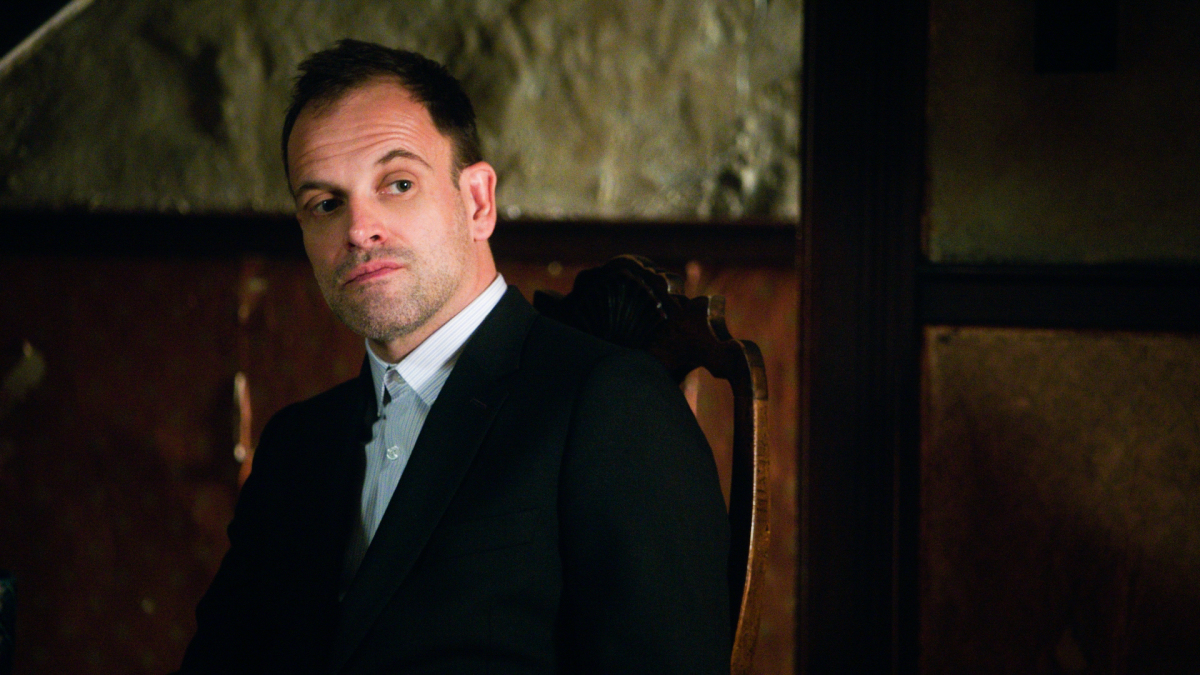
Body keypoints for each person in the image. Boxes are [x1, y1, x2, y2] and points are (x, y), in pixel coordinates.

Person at [176, 39, 730, 674]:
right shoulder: (295, 445)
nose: (358, 228)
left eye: (398, 184)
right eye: (325, 203)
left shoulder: (610, 404)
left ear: (477, 202)